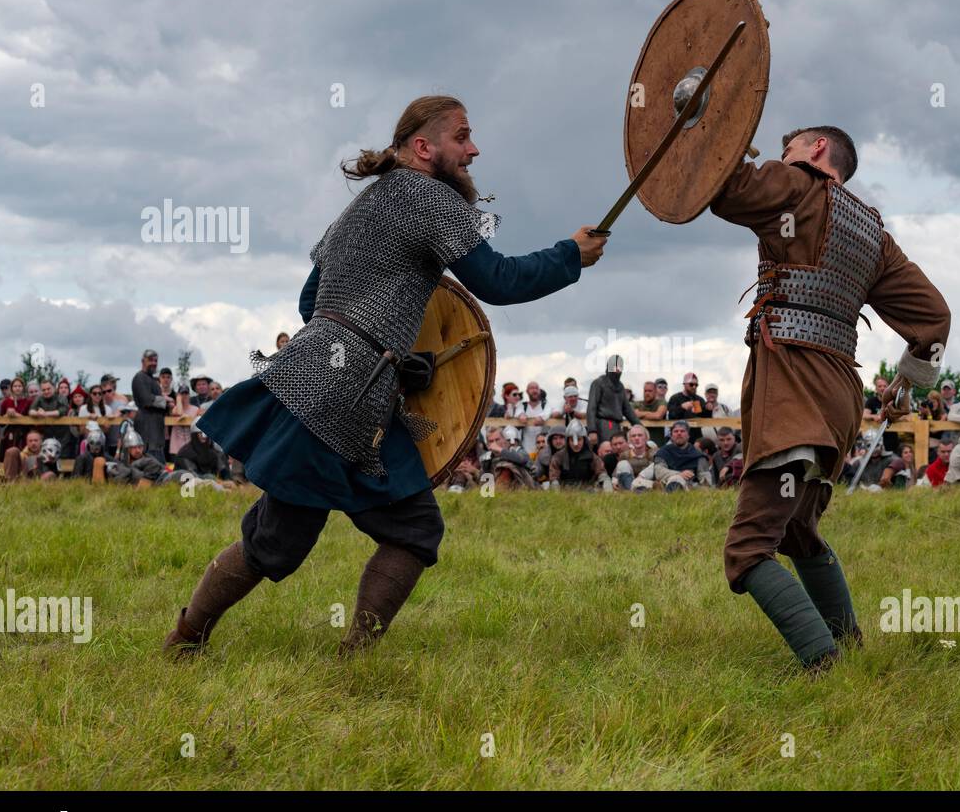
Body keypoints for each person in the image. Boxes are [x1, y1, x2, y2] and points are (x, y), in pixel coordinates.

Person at [173, 94, 607, 658]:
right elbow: (499, 280)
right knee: (331, 537)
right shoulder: (428, 197)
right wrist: (569, 254)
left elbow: (314, 301)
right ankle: (224, 643)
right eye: (462, 137)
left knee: (341, 533)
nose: (473, 150)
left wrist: (390, 354)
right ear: (423, 147)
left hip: (325, 382)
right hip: (347, 396)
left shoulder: (362, 207)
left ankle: (229, 644)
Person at [713, 123, 950, 671]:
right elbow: (935, 317)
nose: (782, 157)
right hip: (840, 397)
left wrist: (704, 126)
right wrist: (907, 383)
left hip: (793, 387)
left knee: (748, 549)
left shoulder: (796, 186)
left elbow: (723, 190)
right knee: (798, 530)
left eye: (788, 148)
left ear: (817, 150)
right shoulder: (873, 232)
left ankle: (825, 665)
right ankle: (851, 651)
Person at [648, 420, 713, 491]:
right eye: (676, 431)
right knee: (639, 482)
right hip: (665, 482)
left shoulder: (698, 455)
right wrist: (680, 474)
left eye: (682, 431)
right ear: (671, 436)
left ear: (688, 435)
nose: (679, 433)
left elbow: (706, 481)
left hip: (689, 486)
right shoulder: (663, 452)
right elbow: (659, 472)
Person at [585, 354, 639, 440]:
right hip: (603, 424)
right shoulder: (599, 383)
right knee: (607, 449)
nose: (618, 368)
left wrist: (639, 426)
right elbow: (592, 407)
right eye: (615, 365)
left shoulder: (620, 386)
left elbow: (627, 410)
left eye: (620, 366)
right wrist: (592, 430)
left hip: (617, 425)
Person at [131, 350, 172, 463]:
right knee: (149, 462)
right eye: (150, 360)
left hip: (156, 427)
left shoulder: (153, 381)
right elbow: (146, 400)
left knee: (159, 462)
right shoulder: (139, 378)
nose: (153, 363)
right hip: (146, 426)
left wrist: (168, 406)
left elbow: (159, 405)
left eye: (155, 361)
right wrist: (165, 401)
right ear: (143, 361)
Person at [548, 419, 611, 490]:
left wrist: (606, 487)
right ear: (567, 441)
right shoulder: (559, 457)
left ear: (584, 439)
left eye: (579, 439)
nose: (576, 444)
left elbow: (602, 474)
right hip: (565, 491)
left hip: (588, 491)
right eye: (572, 440)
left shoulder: (592, 456)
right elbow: (554, 479)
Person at [612, 424, 655, 491]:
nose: (636, 438)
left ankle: (636, 488)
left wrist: (641, 476)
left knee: (656, 465)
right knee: (622, 464)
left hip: (646, 482)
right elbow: (616, 474)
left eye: (640, 435)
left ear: (646, 438)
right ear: (629, 440)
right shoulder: (625, 455)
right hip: (628, 483)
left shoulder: (654, 452)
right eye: (633, 436)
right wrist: (614, 481)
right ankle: (632, 490)